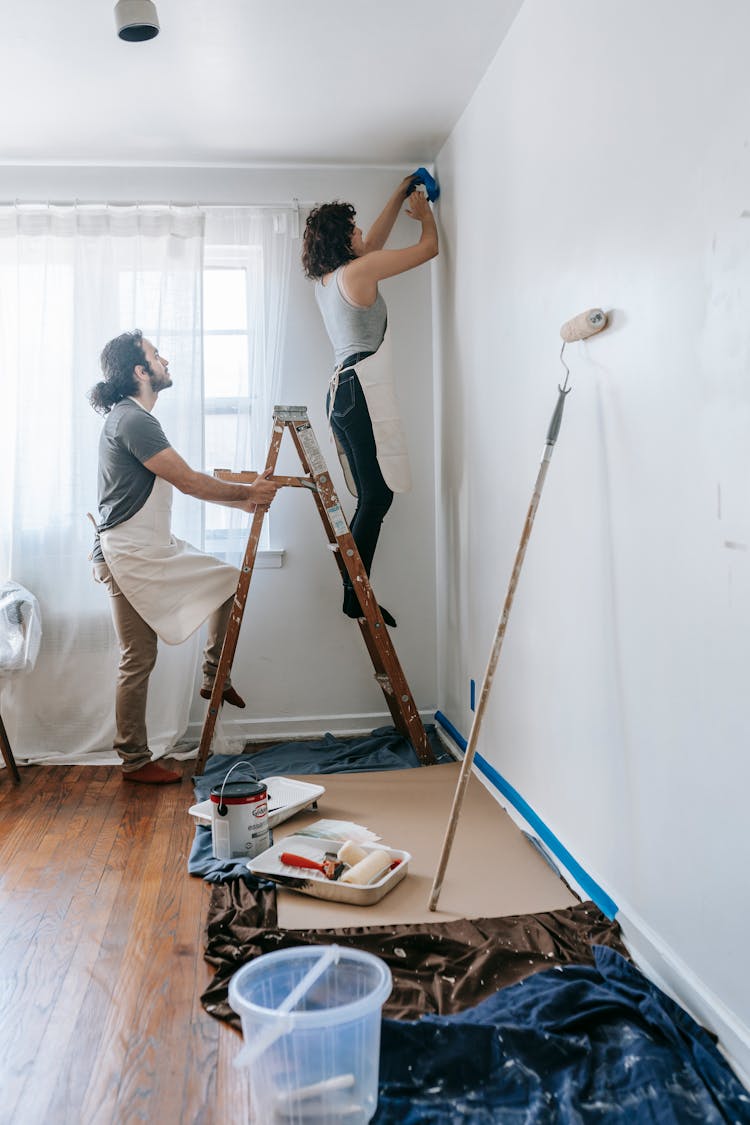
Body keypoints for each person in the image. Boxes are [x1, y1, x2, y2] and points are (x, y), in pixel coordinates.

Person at [88, 330, 278, 784]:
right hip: (129, 552)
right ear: (140, 371)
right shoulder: (133, 421)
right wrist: (248, 493)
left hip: (142, 546)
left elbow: (183, 482)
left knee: (226, 581)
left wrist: (244, 500)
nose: (164, 360)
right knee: (138, 657)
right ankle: (134, 759)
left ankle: (214, 674)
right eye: (156, 355)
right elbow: (190, 481)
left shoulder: (131, 419)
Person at [302, 175, 438, 627]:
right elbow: (428, 251)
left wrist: (400, 192)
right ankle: (353, 592)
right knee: (377, 497)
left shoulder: (328, 279)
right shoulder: (357, 272)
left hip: (339, 392)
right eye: (354, 229)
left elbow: (372, 243)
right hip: (357, 388)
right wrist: (426, 217)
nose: (363, 234)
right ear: (344, 239)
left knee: (371, 496)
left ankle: (353, 589)